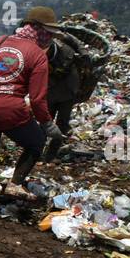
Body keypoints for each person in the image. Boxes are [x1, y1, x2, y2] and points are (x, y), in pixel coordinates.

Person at [0, 6, 59, 219]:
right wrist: (47, 123)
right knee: (36, 142)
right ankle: (15, 183)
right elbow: (37, 100)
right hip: (12, 112)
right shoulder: (38, 56)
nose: (50, 37)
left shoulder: (0, 42)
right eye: (49, 32)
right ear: (38, 30)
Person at [42, 32, 82, 161]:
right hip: (51, 90)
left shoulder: (66, 50)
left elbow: (80, 49)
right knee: (46, 121)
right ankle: (37, 150)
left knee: (62, 123)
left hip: (67, 90)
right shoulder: (41, 51)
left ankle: (51, 153)